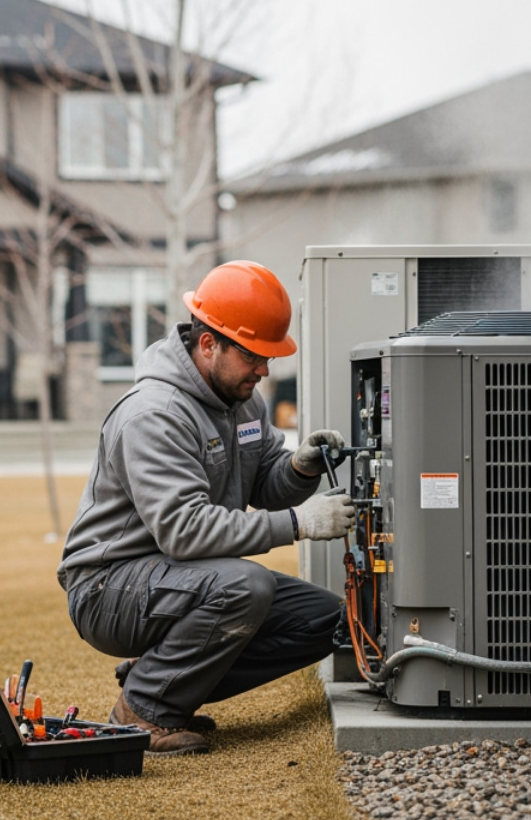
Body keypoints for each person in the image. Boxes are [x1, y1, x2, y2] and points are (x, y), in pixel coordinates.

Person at [57, 260, 356, 755]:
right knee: (247, 585)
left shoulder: (244, 402)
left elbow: (265, 482)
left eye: (268, 358)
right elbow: (185, 531)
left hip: (177, 575)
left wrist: (299, 469)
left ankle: (159, 679)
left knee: (324, 619)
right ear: (208, 344)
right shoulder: (154, 414)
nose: (264, 371)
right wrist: (300, 524)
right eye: (254, 356)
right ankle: (146, 709)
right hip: (107, 586)